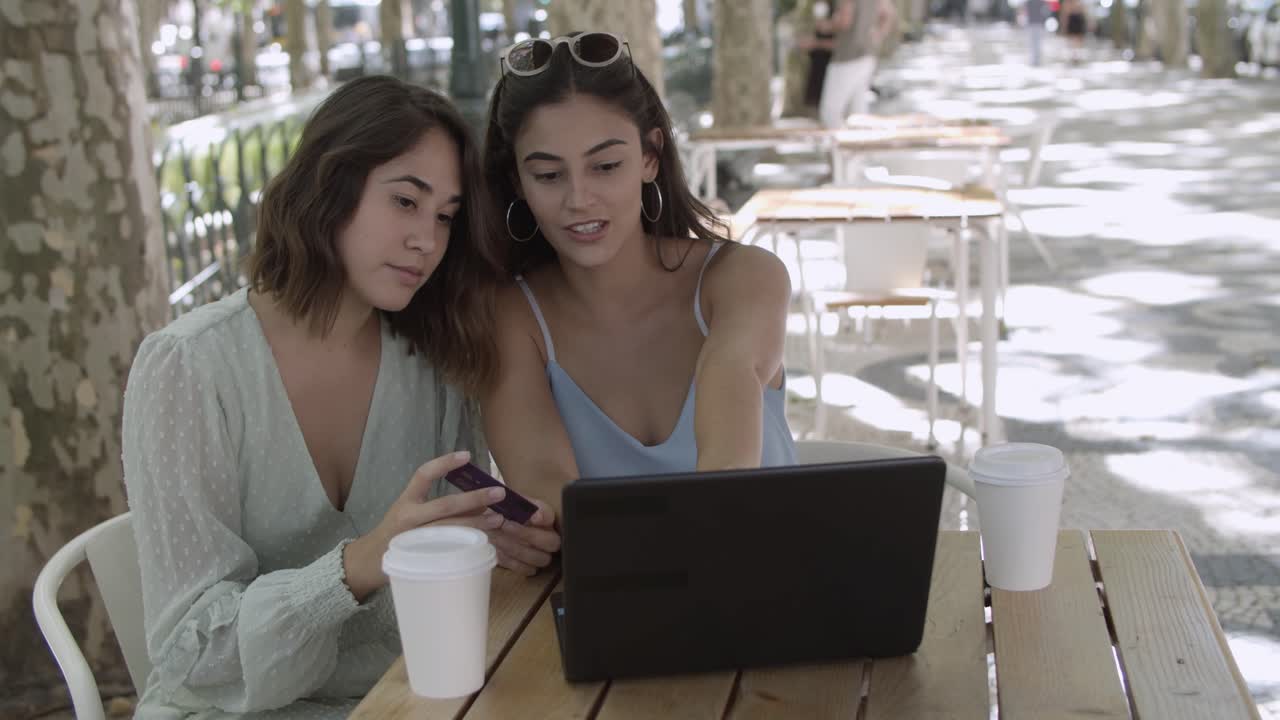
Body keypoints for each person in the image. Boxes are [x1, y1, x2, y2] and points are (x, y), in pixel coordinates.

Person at [122, 76, 559, 719]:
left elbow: (427, 587)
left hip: (399, 700)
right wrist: (356, 565)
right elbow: (191, 654)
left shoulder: (436, 364)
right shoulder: (189, 368)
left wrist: (489, 544)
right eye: (405, 202)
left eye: (444, 217)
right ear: (330, 188)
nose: (427, 241)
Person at [479, 32, 798, 517]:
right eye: (548, 175)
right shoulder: (511, 316)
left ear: (650, 157)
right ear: (516, 182)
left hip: (779, 586)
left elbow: (728, 397)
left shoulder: (743, 275)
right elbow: (546, 491)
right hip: (608, 594)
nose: (579, 198)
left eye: (605, 166)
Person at [818, 0, 898, 128]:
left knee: (830, 112)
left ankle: (843, 146)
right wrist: (879, 35)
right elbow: (888, 12)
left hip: (847, 57)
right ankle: (861, 146)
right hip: (867, 55)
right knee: (858, 114)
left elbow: (845, 20)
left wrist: (826, 25)